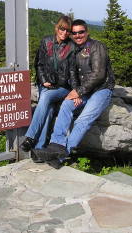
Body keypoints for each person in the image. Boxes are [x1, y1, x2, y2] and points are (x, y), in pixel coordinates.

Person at [33, 19, 115, 168]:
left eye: (81, 32)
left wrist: (79, 92)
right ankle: (55, 146)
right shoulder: (74, 50)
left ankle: (63, 154)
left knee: (83, 119)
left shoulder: (97, 47)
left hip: (101, 89)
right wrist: (77, 92)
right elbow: (73, 75)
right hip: (85, 90)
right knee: (66, 105)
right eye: (74, 33)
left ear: (87, 32)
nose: (78, 35)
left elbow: (99, 75)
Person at [20, 16, 77, 159]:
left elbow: (72, 72)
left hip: (62, 87)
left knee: (45, 98)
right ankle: (39, 150)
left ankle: (30, 137)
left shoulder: (72, 47)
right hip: (45, 85)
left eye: (68, 30)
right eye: (61, 29)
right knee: (49, 109)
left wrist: (76, 91)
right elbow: (38, 64)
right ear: (57, 28)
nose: (64, 33)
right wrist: (44, 80)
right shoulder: (46, 42)